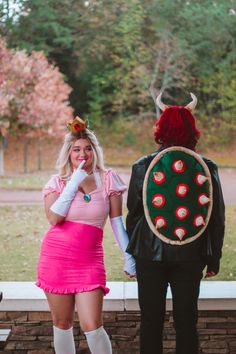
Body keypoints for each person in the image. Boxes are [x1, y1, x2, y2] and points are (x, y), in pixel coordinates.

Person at [126, 93, 225, 354]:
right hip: (191, 255)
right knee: (186, 322)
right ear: (193, 130)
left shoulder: (143, 165)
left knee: (150, 322)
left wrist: (133, 255)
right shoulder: (208, 166)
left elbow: (134, 214)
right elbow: (216, 217)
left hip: (148, 255)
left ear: (161, 128)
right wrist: (214, 258)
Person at [36, 116, 136, 354]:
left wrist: (129, 257)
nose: (83, 154)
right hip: (56, 260)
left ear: (95, 151)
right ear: (69, 154)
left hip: (90, 261)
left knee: (93, 326)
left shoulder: (109, 179)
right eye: (76, 149)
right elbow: (54, 218)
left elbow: (116, 222)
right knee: (62, 324)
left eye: (88, 149)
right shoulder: (57, 183)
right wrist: (74, 183)